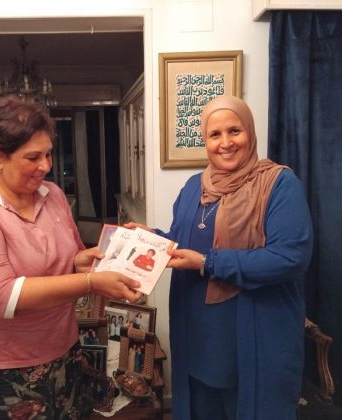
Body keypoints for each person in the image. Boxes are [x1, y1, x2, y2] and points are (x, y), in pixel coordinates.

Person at [0, 95, 142, 419]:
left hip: (61, 350)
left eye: (48, 153)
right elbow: (1, 296)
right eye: (33, 157)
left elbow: (68, 258)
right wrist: (89, 282)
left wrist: (85, 260)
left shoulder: (53, 195)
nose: (46, 166)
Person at [126, 95, 313, 420]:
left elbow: (290, 258)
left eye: (234, 131)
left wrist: (208, 262)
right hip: (197, 336)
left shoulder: (280, 184)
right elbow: (182, 243)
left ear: (250, 132)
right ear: (205, 140)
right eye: (215, 134)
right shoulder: (193, 187)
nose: (225, 143)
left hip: (254, 335)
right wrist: (152, 237)